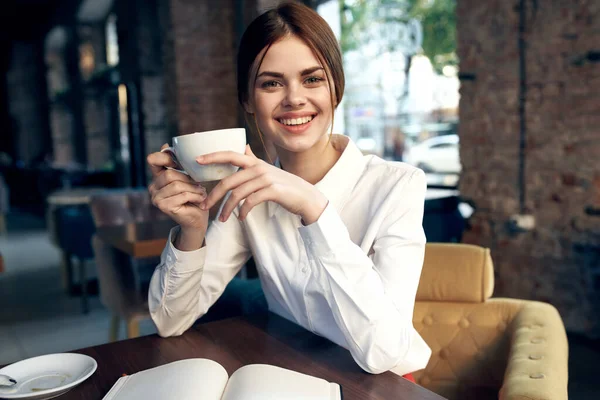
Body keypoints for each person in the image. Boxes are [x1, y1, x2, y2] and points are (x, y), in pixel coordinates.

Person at [146, 1, 431, 378]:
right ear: (248, 101)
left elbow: (384, 353)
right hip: (292, 372)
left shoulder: (398, 187)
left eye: (312, 79)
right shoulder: (247, 192)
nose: (294, 98)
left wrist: (315, 209)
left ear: (335, 90)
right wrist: (193, 230)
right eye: (271, 83)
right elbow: (170, 320)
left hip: (382, 386)